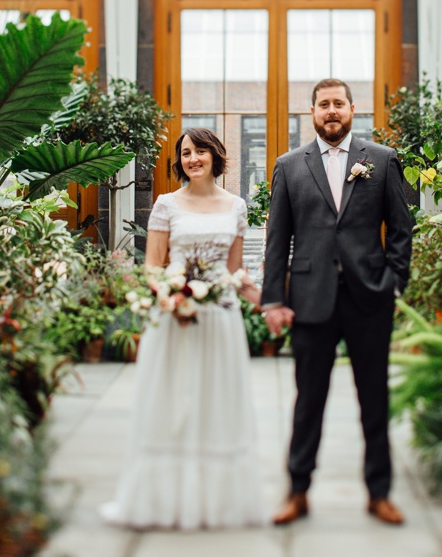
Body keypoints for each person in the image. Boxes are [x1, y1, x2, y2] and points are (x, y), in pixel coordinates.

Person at [261, 78, 412, 526]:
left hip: (369, 298)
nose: (331, 111)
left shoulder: (381, 161)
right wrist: (274, 298)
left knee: (374, 399)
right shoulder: (288, 166)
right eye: (323, 104)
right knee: (309, 400)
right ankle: (298, 491)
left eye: (338, 104)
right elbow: (277, 239)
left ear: (352, 109)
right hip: (311, 300)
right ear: (311, 112)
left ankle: (379, 493)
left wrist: (394, 282)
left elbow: (401, 229)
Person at [100, 128, 264, 530]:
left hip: (220, 319)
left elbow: (233, 271)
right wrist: (169, 298)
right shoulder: (165, 205)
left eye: (200, 151)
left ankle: (215, 502)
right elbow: (153, 266)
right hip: (175, 318)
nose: (192, 159)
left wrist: (268, 302)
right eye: (186, 153)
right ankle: (163, 500)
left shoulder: (236, 206)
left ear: (215, 156)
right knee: (174, 406)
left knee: (216, 405)